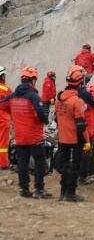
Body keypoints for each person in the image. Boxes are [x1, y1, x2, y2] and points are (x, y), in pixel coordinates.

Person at [0, 67, 52, 198]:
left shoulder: (12, 96)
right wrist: (44, 120)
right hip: (35, 136)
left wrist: (15, 115)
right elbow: (40, 113)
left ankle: (23, 189)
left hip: (20, 137)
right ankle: (39, 189)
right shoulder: (33, 96)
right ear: (33, 80)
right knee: (40, 161)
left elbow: (2, 105)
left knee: (22, 162)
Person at [54, 65, 90, 202]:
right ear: (80, 83)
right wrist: (87, 141)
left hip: (63, 138)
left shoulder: (59, 100)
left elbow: (57, 119)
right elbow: (81, 124)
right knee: (74, 166)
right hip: (75, 139)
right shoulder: (77, 101)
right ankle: (70, 193)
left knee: (65, 166)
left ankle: (63, 192)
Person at [78, 84, 94, 185]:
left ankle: (80, 175)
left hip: (80, 130)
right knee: (86, 153)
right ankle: (83, 176)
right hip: (86, 131)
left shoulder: (77, 100)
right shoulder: (86, 102)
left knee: (80, 153)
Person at [0, 66, 12, 169]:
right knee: (3, 142)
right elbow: (12, 104)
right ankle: (3, 164)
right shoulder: (6, 89)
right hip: (3, 118)